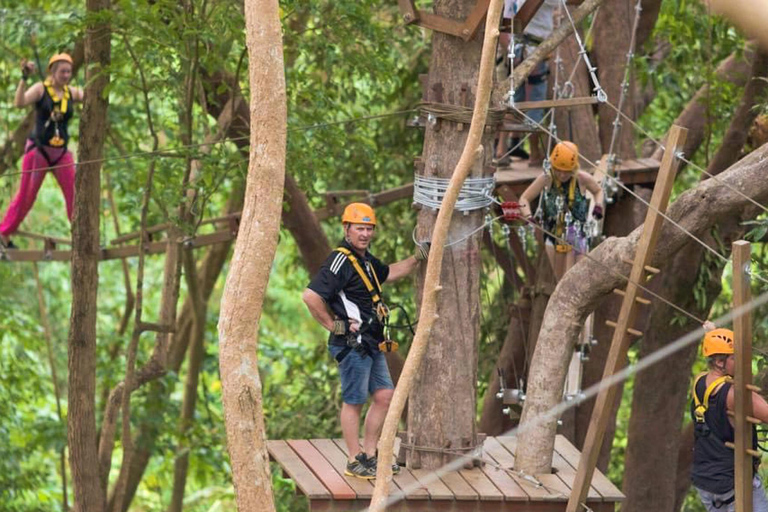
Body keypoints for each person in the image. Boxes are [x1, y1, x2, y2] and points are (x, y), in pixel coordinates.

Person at [302, 203, 428, 479]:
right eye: (360, 228)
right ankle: (353, 458)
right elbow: (310, 296)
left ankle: (370, 455)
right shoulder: (340, 260)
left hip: (371, 342)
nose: (365, 234)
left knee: (384, 396)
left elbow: (391, 273)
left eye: (369, 229)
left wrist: (418, 257)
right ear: (346, 229)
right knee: (355, 400)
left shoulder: (367, 261)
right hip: (351, 344)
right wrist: (333, 325)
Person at [0, 53, 83, 249]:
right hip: (38, 152)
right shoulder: (40, 89)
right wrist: (24, 78)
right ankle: (3, 234)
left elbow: (92, 95)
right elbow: (19, 102)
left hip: (61, 153)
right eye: (62, 71)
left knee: (75, 194)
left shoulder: (71, 92)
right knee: (27, 195)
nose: (66, 75)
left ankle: (81, 236)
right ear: (53, 72)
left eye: (69, 72)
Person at [691, 323, 768, 512]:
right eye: (736, 358)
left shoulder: (700, 381)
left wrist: (713, 334)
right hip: (733, 483)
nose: (742, 362)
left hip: (705, 480)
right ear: (719, 362)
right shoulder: (736, 395)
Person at [518, 141, 603, 280]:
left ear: (574, 168)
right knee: (561, 281)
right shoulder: (546, 178)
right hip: (553, 234)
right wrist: (528, 217)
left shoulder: (582, 178)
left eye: (567, 171)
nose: (562, 175)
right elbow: (524, 199)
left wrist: (598, 205)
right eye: (558, 170)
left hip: (578, 233)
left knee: (577, 278)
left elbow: (598, 190)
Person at [495, 0, 558, 166]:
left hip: (516, 49)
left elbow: (505, 17)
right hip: (534, 50)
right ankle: (535, 153)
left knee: (513, 101)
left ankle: (502, 151)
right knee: (535, 102)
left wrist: (509, 50)